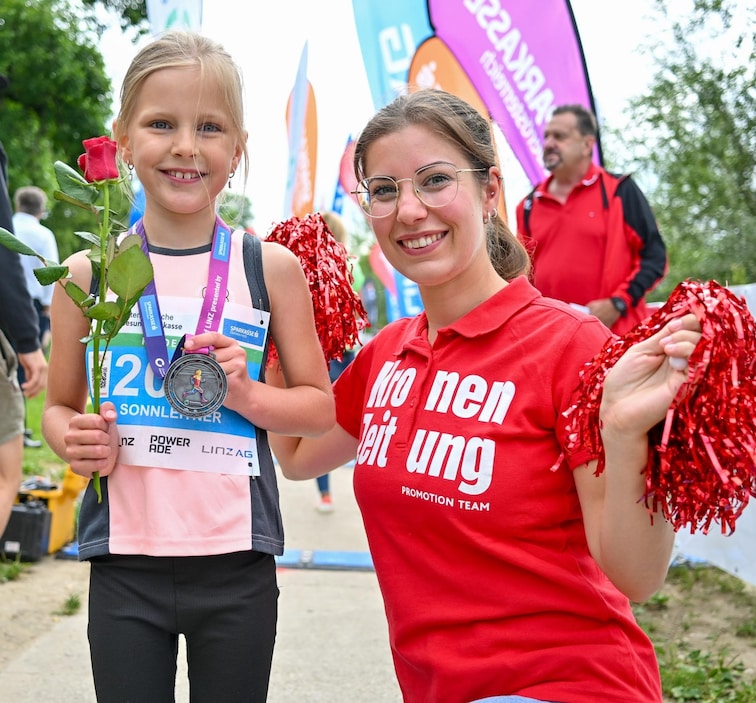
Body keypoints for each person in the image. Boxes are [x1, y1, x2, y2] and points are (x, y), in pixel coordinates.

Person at [269, 88, 702, 703]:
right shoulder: (387, 352)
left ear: (490, 190)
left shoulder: (570, 343)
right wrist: (286, 311)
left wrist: (627, 435)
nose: (410, 210)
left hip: (571, 684)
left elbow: (637, 576)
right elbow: (294, 452)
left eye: (435, 180)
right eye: (385, 190)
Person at [41, 32, 334, 703]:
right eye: (161, 124)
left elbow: (319, 407)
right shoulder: (87, 275)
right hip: (123, 563)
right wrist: (71, 438)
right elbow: (58, 406)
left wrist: (252, 396)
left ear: (239, 147)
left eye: (209, 127)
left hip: (237, 567)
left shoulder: (270, 269)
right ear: (123, 139)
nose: (184, 146)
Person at [515, 104, 667, 335]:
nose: (549, 143)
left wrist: (617, 303)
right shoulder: (527, 206)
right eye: (546, 136)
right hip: (554, 340)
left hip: (617, 339)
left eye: (560, 136)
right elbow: (522, 275)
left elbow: (654, 258)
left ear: (587, 145)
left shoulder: (619, 190)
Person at [0, 73, 49, 535]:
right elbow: (6, 262)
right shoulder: (42, 234)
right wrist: (33, 340)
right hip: (20, 311)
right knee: (3, 475)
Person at [313, 209, 365, 513]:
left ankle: (325, 493)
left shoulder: (313, 268)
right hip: (341, 351)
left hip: (329, 352)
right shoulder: (346, 267)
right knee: (354, 413)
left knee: (325, 425)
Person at [12, 185, 59, 448]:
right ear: (41, 210)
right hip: (31, 306)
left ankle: (14, 427)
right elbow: (50, 273)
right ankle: (18, 429)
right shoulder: (43, 234)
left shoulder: (8, 227)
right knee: (24, 366)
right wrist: (48, 314)